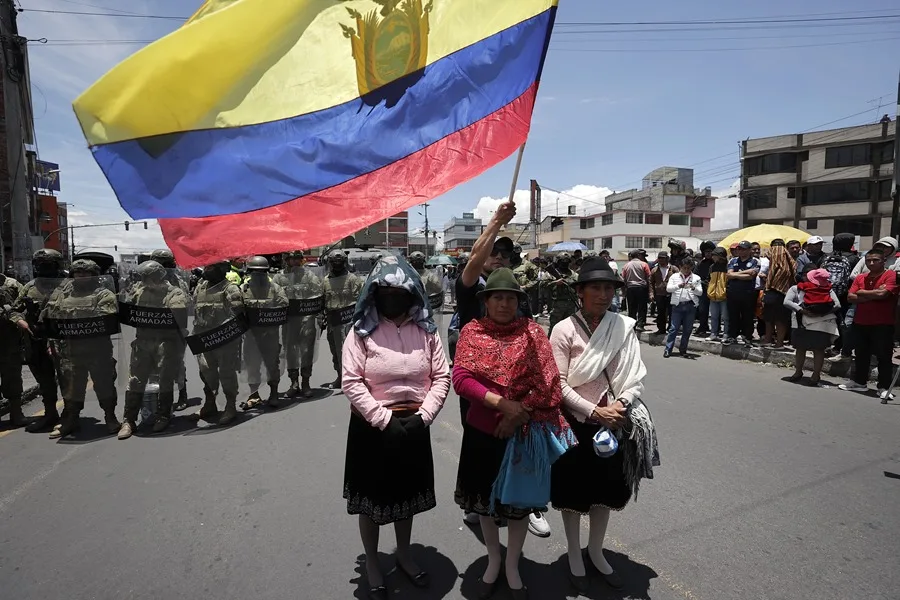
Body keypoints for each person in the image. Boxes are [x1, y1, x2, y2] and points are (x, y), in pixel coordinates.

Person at [453, 268, 573, 598]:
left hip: (523, 431)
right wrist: (501, 404)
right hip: (481, 431)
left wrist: (517, 414)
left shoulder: (534, 333)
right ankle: (494, 559)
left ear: (519, 302)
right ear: (486, 301)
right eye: (498, 297)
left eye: (511, 298)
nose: (505, 303)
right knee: (486, 504)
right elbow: (462, 380)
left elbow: (548, 383)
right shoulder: (471, 332)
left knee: (519, 505)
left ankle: (512, 564)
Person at [341, 255, 450, 599]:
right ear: (374, 293)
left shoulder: (427, 331)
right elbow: (351, 382)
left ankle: (403, 553)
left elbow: (441, 376)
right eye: (385, 291)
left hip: (415, 425)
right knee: (372, 502)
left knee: (406, 497)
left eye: (400, 292)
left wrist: (424, 417)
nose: (393, 297)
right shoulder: (361, 332)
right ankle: (373, 560)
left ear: (413, 293)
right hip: (373, 428)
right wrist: (384, 421)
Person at [549, 257, 657, 594]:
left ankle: (595, 550)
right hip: (578, 424)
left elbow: (634, 376)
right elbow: (559, 385)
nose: (602, 293)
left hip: (615, 422)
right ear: (580, 292)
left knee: (604, 492)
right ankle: (574, 552)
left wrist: (620, 405)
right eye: (595, 287)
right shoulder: (563, 329)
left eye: (608, 287)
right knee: (574, 493)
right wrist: (595, 412)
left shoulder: (623, 327)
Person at [453, 203, 547, 538]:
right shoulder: (472, 293)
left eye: (503, 255)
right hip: (481, 392)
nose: (497, 258)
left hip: (519, 396)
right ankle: (480, 504)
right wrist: (496, 221)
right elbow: (474, 261)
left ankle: (527, 506)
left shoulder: (517, 298)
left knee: (520, 445)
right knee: (482, 444)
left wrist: (518, 407)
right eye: (491, 253)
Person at [40, 259, 120, 439]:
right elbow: (51, 321)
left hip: (97, 350)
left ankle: (110, 416)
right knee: (71, 387)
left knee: (104, 384)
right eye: (78, 273)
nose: (81, 276)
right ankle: (71, 419)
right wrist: (51, 343)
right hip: (69, 350)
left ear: (94, 275)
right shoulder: (60, 295)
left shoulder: (104, 294)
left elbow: (107, 319)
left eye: (86, 273)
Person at [117, 260, 189, 439]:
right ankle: (129, 420)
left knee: (165, 379)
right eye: (142, 278)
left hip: (166, 342)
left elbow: (179, 312)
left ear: (157, 276)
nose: (144, 281)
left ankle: (163, 414)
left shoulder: (174, 292)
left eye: (147, 277)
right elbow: (127, 306)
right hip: (143, 342)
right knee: (135, 380)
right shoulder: (140, 290)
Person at [14, 249, 66, 433]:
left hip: (62, 340)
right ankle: (50, 414)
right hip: (36, 340)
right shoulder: (29, 287)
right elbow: (15, 309)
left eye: (48, 264)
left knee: (67, 378)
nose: (43, 267)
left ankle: (70, 416)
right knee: (45, 380)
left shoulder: (67, 286)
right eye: (40, 264)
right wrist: (20, 320)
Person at [190, 261, 245, 425]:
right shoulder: (201, 287)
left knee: (226, 373)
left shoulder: (230, 288)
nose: (206, 270)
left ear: (221, 269)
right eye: (206, 266)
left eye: (211, 267)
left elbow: (238, 315)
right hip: (204, 338)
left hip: (224, 340)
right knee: (206, 371)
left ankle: (230, 406)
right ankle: (209, 403)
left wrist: (222, 330)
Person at [839, 249, 898, 398]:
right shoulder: (861, 277)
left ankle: (883, 387)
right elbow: (851, 297)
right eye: (868, 260)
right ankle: (860, 383)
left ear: (883, 261)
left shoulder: (890, 275)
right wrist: (873, 294)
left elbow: (883, 294)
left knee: (884, 356)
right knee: (861, 354)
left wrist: (862, 292)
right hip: (861, 322)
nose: (871, 263)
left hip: (883, 323)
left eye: (875, 260)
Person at [274, 250, 323, 399]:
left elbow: (318, 294)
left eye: (297, 259)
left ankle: (306, 382)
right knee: (291, 352)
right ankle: (294, 382)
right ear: (286, 260)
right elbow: (274, 296)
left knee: (307, 351)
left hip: (306, 319)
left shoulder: (309, 276)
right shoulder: (279, 277)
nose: (295, 261)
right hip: (289, 321)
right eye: (291, 259)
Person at [241, 256, 289, 409]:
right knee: (252, 365)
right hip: (251, 336)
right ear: (249, 272)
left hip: (270, 335)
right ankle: (254, 394)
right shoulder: (244, 289)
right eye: (254, 272)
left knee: (272, 365)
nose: (258, 275)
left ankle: (274, 393)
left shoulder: (275, 288)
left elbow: (284, 305)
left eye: (261, 272)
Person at [784, 267, 841, 387]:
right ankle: (815, 376)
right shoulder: (828, 289)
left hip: (801, 323)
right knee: (818, 350)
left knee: (800, 349)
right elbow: (837, 305)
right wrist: (823, 313)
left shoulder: (797, 288)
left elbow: (787, 302)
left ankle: (798, 372)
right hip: (822, 324)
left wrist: (802, 311)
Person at [151, 248, 192, 411]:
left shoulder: (178, 281)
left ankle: (182, 393)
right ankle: (157, 398)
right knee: (153, 365)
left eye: (165, 264)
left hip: (174, 328)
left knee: (177, 364)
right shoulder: (146, 280)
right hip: (152, 328)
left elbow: (185, 304)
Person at [323, 250, 364, 390]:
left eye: (339, 262)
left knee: (351, 352)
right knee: (335, 351)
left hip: (349, 322)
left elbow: (361, 300)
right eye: (334, 262)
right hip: (332, 321)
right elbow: (322, 301)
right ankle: (340, 376)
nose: (337, 264)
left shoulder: (353, 279)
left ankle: (354, 378)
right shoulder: (325, 281)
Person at [0, 270, 25, 427]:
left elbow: (22, 304)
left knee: (12, 377)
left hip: (8, 340)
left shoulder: (12, 284)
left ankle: (16, 414)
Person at [663, 258, 703, 358]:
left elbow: (700, 292)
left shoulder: (696, 278)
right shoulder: (674, 276)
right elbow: (668, 289)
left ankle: (683, 350)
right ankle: (668, 349)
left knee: (687, 329)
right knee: (673, 328)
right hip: (677, 305)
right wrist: (678, 286)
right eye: (684, 268)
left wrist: (693, 287)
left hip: (690, 305)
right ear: (680, 267)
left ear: (691, 268)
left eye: (688, 268)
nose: (686, 270)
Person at [724, 241, 760, 346]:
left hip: (748, 293)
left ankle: (747, 337)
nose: (740, 251)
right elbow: (729, 275)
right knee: (733, 316)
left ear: (749, 250)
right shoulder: (733, 260)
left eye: (743, 249)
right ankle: (732, 336)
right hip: (733, 292)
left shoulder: (755, 261)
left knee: (747, 317)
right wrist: (745, 272)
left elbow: (751, 276)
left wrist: (735, 274)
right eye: (739, 249)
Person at [762, 243, 796, 349]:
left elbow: (775, 280)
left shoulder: (783, 268)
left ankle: (779, 343)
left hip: (780, 293)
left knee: (779, 319)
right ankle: (769, 340)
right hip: (773, 293)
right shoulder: (788, 264)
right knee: (769, 318)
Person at [548, 253, 578, 334]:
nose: (565, 263)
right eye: (562, 261)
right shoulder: (550, 273)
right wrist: (555, 283)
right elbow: (542, 286)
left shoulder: (574, 275)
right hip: (557, 305)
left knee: (569, 328)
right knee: (554, 328)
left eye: (567, 261)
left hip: (571, 304)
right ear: (558, 261)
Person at [621, 251, 651, 331]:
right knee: (642, 307)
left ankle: (632, 325)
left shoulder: (626, 265)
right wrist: (650, 290)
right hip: (641, 288)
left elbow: (623, 279)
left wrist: (624, 292)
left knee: (631, 308)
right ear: (638, 255)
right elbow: (648, 277)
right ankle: (640, 325)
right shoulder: (644, 264)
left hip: (630, 289)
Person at [705, 247, 729, 342]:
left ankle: (726, 334)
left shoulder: (728, 266)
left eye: (714, 255)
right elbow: (708, 279)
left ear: (720, 256)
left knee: (726, 317)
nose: (712, 257)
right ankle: (713, 333)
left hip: (724, 296)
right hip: (713, 295)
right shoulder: (712, 267)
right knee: (714, 316)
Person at [649, 252, 673, 335]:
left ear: (667, 258)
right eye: (659, 258)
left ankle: (671, 329)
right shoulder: (654, 270)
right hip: (659, 294)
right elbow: (651, 283)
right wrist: (651, 294)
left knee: (671, 312)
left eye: (663, 258)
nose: (661, 260)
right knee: (660, 313)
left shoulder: (673, 269)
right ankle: (661, 329)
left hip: (671, 294)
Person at [694, 241, 716, 336]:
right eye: (706, 251)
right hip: (703, 290)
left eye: (710, 251)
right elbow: (695, 276)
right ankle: (703, 326)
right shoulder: (700, 264)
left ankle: (716, 329)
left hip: (715, 290)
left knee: (716, 312)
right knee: (702, 310)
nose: (708, 253)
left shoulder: (717, 263)